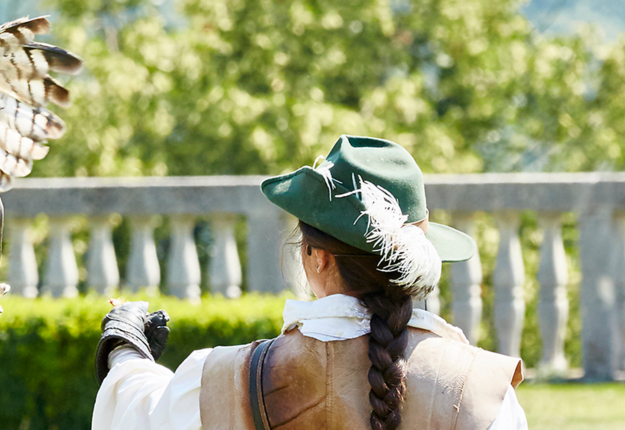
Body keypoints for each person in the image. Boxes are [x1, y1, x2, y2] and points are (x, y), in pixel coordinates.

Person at [91, 135, 527, 430]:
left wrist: (126, 351)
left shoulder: (223, 379)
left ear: (317, 257)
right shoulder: (482, 388)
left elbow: (143, 415)